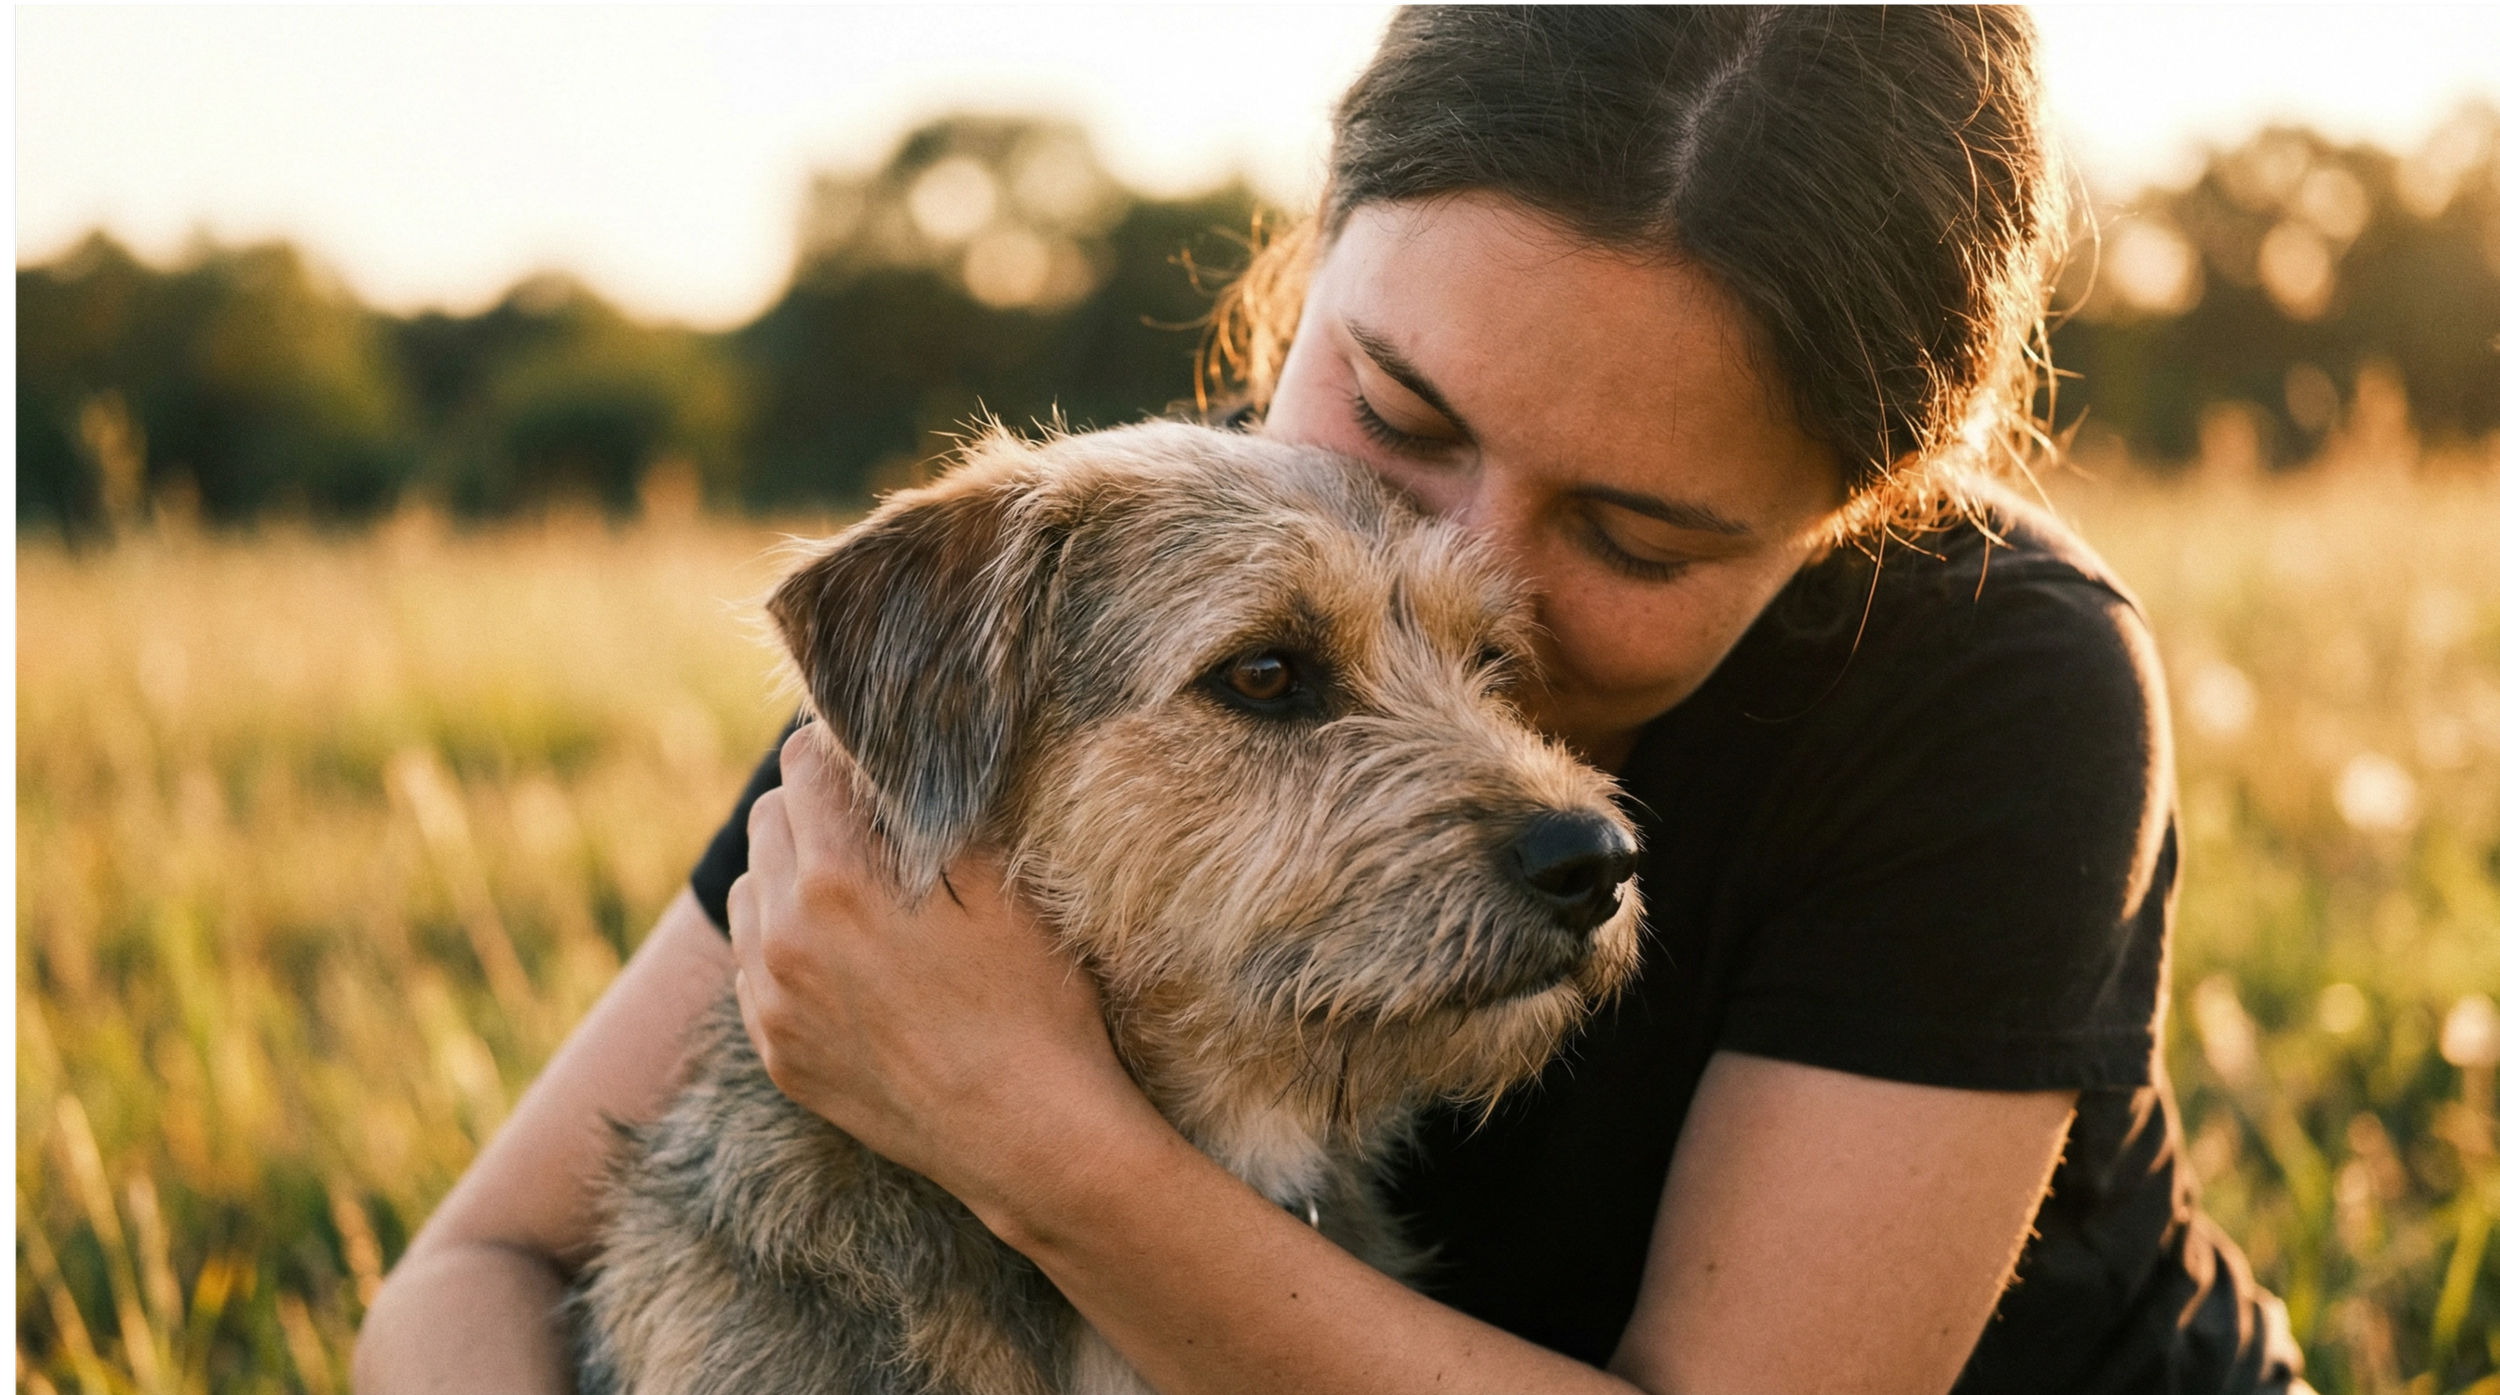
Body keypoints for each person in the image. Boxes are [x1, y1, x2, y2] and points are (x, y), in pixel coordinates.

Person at [356, 7, 2311, 1393]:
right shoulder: (1108, 577)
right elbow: (471, 1270)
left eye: (1632, 535)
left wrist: (1034, 1139)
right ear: (1306, 269)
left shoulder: (1989, 683)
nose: (1461, 565)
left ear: (1850, 517)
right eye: (1389, 410)